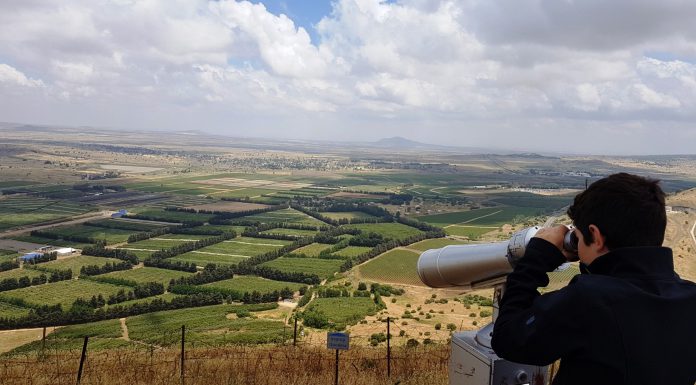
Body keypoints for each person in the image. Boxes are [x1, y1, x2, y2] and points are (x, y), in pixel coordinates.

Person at [490, 173, 696, 385]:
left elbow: (508, 339)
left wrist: (537, 259)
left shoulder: (590, 300)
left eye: (577, 238)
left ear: (595, 236)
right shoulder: (689, 299)